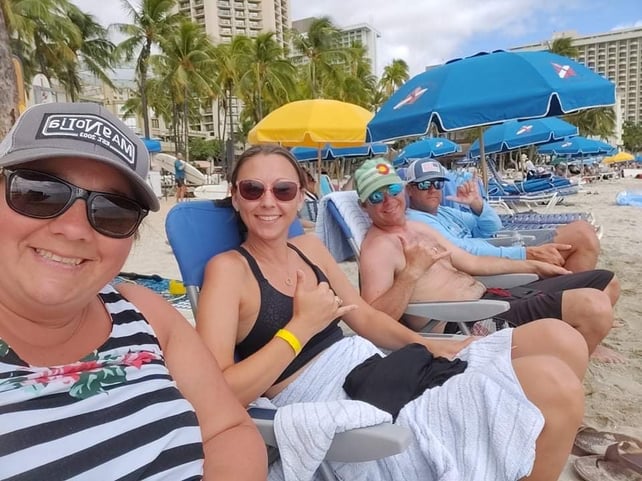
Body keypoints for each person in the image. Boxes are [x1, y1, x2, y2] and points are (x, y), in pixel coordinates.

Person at [196, 144, 588, 481]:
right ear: (235, 196)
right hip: (341, 399)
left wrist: (432, 346)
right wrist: (299, 329)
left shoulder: (310, 250)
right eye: (253, 189)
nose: (268, 201)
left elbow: (363, 318)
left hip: (383, 368)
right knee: (554, 386)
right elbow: (218, 393)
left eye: (283, 190)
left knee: (561, 339)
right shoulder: (229, 271)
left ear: (300, 197)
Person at [0, 102, 266, 480]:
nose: (74, 229)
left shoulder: (142, 311)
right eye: (38, 192)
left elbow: (229, 429)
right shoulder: (228, 269)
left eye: (113, 210)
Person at [355, 158, 622, 362]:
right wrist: (411, 273)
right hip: (469, 321)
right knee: (593, 308)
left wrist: (531, 265)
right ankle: (557, 377)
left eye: (391, 189)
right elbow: (373, 319)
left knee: (606, 282)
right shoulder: (378, 248)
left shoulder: (417, 227)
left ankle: (561, 359)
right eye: (376, 196)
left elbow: (472, 262)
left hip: (493, 295)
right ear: (363, 205)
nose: (388, 200)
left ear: (401, 190)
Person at [404, 158, 601, 272]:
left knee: (584, 233)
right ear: (410, 190)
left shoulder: (444, 212)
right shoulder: (416, 220)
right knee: (581, 235)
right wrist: (525, 254)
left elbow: (493, 228)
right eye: (424, 184)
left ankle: (572, 303)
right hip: (488, 267)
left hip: (498, 251)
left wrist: (477, 204)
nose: (432, 189)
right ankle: (571, 306)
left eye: (437, 183)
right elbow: (464, 251)